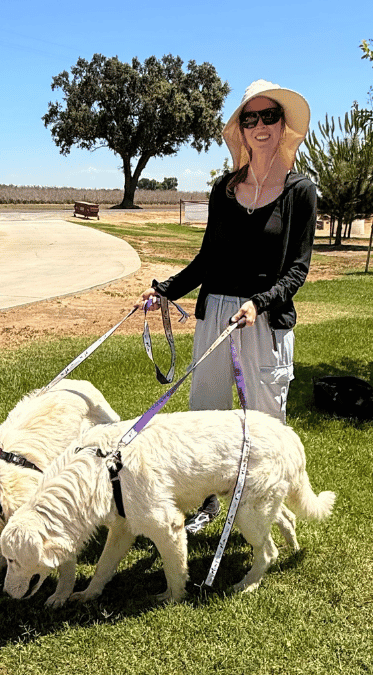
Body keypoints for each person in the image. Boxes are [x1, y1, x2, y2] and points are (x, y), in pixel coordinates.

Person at [136, 79, 317, 532]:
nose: (260, 125)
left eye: (269, 116)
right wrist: (166, 290)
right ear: (241, 129)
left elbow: (297, 268)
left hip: (264, 319)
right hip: (216, 313)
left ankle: (264, 512)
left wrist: (260, 302)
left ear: (283, 126)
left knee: (266, 424)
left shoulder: (300, 191)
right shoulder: (224, 190)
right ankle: (208, 502)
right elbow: (208, 259)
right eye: (250, 118)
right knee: (205, 419)